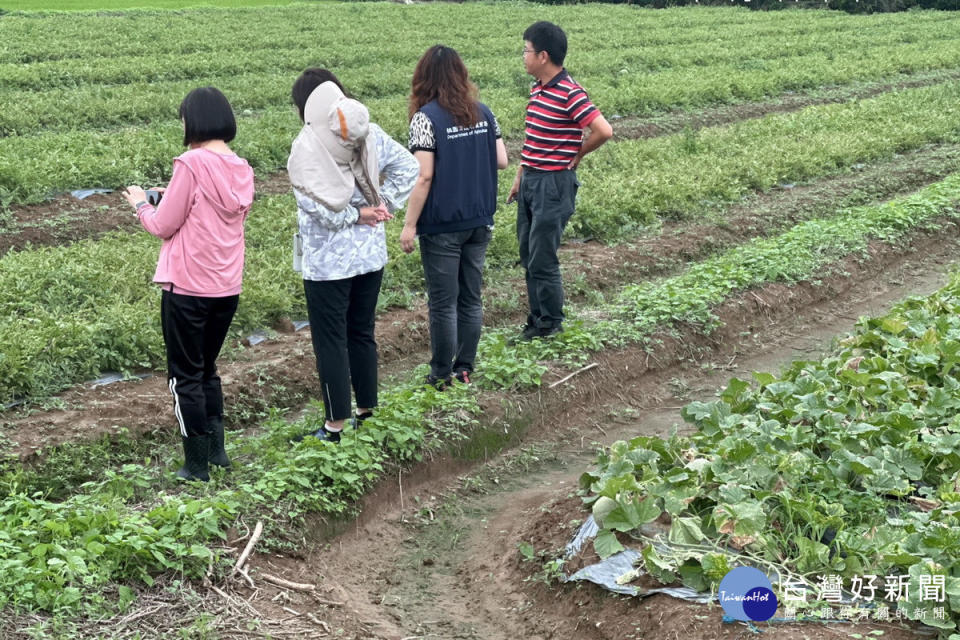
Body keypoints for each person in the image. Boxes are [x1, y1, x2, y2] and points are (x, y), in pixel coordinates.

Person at [122, 86, 254, 482]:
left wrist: (141, 204)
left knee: (184, 376)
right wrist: (171, 195)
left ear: (193, 120)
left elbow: (163, 225)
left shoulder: (191, 164)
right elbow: (205, 209)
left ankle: (195, 465)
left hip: (188, 287)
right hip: (226, 286)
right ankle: (217, 453)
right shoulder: (240, 167)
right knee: (207, 369)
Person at [288, 69, 418, 443]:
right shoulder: (367, 133)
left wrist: (358, 213)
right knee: (361, 333)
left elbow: (318, 210)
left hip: (328, 265)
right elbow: (410, 166)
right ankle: (367, 413)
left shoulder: (309, 147)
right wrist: (382, 203)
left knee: (331, 340)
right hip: (370, 257)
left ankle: (334, 427)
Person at [400, 45, 508, 388]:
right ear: (461, 76)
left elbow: (425, 175)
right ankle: (464, 368)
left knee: (443, 303)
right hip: (479, 218)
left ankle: (440, 374)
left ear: (423, 79)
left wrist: (409, 224)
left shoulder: (425, 119)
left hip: (443, 224)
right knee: (470, 297)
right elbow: (502, 160)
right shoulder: (485, 113)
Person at [506, 21, 613, 342]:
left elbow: (603, 130)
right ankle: (537, 319)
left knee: (542, 256)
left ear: (542, 55)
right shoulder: (538, 89)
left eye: (525, 50)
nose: (522, 57)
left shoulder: (570, 91)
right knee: (528, 253)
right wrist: (519, 177)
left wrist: (578, 154)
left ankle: (550, 324)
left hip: (553, 185)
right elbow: (532, 141)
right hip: (531, 181)